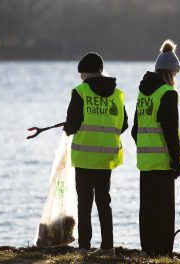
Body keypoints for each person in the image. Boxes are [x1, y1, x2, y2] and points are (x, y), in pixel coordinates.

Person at [63, 52, 128, 256]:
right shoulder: (117, 94)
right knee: (104, 202)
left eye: (81, 74)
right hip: (106, 157)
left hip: (84, 157)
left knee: (84, 204)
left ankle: (84, 247)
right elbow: (124, 124)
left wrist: (68, 128)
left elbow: (72, 125)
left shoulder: (80, 92)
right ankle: (108, 247)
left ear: (85, 74)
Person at [131, 39, 180, 257]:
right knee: (164, 210)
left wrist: (145, 146)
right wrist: (176, 159)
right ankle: (164, 252)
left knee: (148, 209)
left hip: (145, 161)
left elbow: (136, 129)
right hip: (163, 161)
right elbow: (170, 131)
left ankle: (147, 249)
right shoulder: (168, 94)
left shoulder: (144, 93)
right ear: (172, 73)